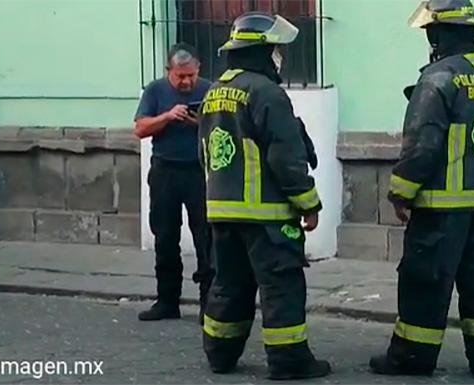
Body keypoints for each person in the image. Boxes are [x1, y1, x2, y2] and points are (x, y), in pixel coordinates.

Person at [369, 0, 474, 382]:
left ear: (439, 35)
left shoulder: (437, 79)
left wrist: (400, 193)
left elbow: (423, 146)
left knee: (425, 284)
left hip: (441, 211)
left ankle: (411, 358)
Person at [197, 12, 331, 380]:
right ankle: (289, 361)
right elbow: (285, 155)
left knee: (228, 284)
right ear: (260, 52)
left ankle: (220, 353)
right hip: (267, 216)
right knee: (281, 286)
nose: (280, 57)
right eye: (275, 50)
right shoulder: (266, 92)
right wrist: (309, 203)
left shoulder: (213, 92)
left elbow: (205, 153)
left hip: (223, 212)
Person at [134, 43, 214, 323]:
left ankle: (209, 304)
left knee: (206, 238)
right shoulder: (155, 91)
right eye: (180, 76)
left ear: (198, 69)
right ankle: (167, 301)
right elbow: (140, 129)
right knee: (165, 236)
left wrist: (197, 123)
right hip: (165, 171)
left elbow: (221, 129)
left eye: (191, 75)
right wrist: (168, 117)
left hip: (199, 172)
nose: (187, 81)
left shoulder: (209, 90)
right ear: (169, 71)